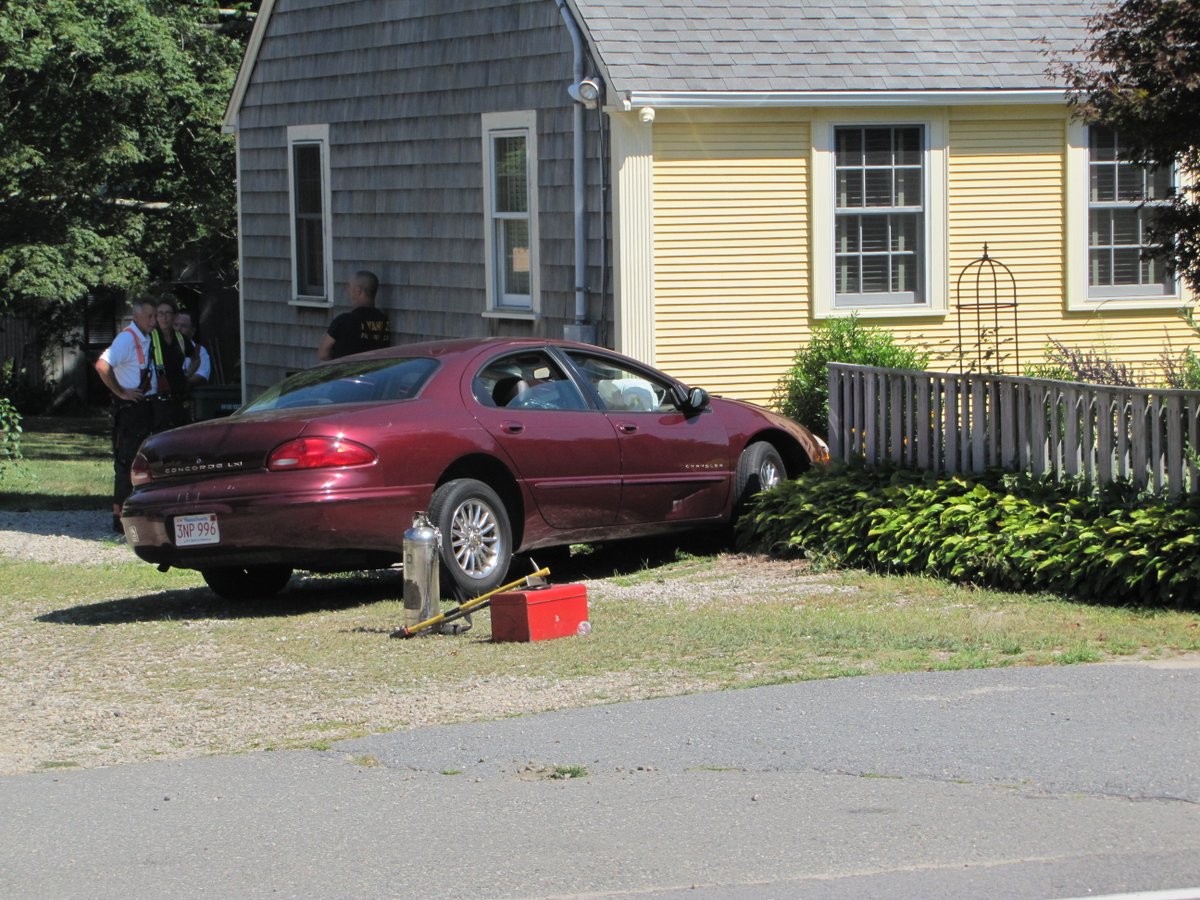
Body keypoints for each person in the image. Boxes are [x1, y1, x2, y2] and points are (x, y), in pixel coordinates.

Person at [95, 297, 161, 533]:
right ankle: (120, 518)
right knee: (127, 463)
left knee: (145, 462)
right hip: (130, 412)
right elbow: (102, 365)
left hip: (145, 408)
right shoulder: (127, 339)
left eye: (155, 316)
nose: (154, 321)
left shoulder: (146, 338)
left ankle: (140, 514)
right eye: (150, 316)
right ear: (136, 316)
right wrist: (121, 392)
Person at [317, 270, 390, 360]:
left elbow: (323, 353)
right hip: (373, 372)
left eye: (349, 287)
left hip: (348, 371)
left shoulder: (343, 320)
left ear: (358, 291)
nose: (348, 291)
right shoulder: (384, 321)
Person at [151, 297, 199, 429]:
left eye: (168, 313)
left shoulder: (181, 338)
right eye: (160, 313)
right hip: (158, 397)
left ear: (174, 316)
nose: (164, 317)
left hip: (179, 395)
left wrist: (188, 373)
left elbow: (196, 358)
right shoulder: (149, 337)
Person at [175, 310, 211, 387]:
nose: (178, 329)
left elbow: (202, 375)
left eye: (184, 326)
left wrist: (180, 383)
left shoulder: (200, 350)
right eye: (176, 325)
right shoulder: (164, 347)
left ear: (192, 331)